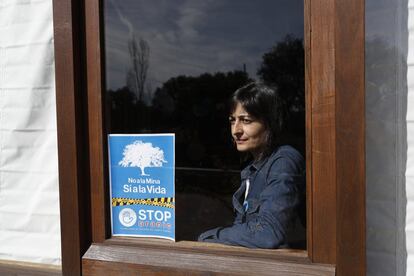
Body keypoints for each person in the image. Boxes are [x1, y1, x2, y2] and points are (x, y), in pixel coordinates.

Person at [198, 82, 306, 249]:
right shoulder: (253, 169)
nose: (236, 130)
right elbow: (245, 230)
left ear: (269, 123)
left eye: (246, 120)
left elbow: (267, 234)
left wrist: (211, 236)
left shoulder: (284, 161)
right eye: (232, 120)